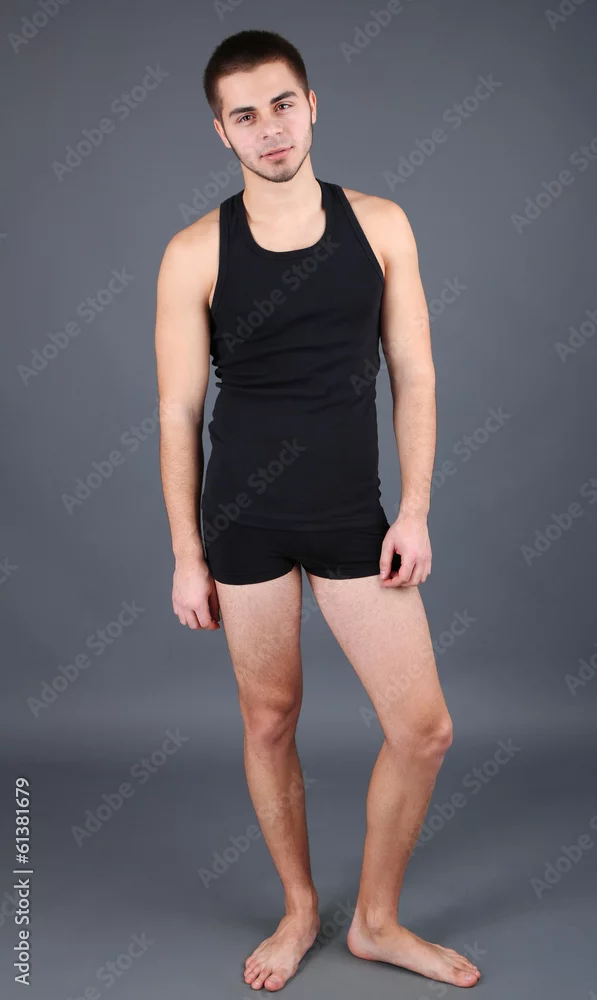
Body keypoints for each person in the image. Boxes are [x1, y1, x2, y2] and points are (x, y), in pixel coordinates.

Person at [154, 28, 481, 993]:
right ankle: (300, 910)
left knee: (423, 728)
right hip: (243, 522)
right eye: (244, 116)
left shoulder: (380, 224)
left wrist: (413, 510)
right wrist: (186, 555)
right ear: (221, 132)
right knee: (270, 721)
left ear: (311, 106)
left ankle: (375, 921)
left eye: (282, 105)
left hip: (351, 516)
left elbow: (415, 375)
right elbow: (176, 413)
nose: (269, 129)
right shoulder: (192, 252)